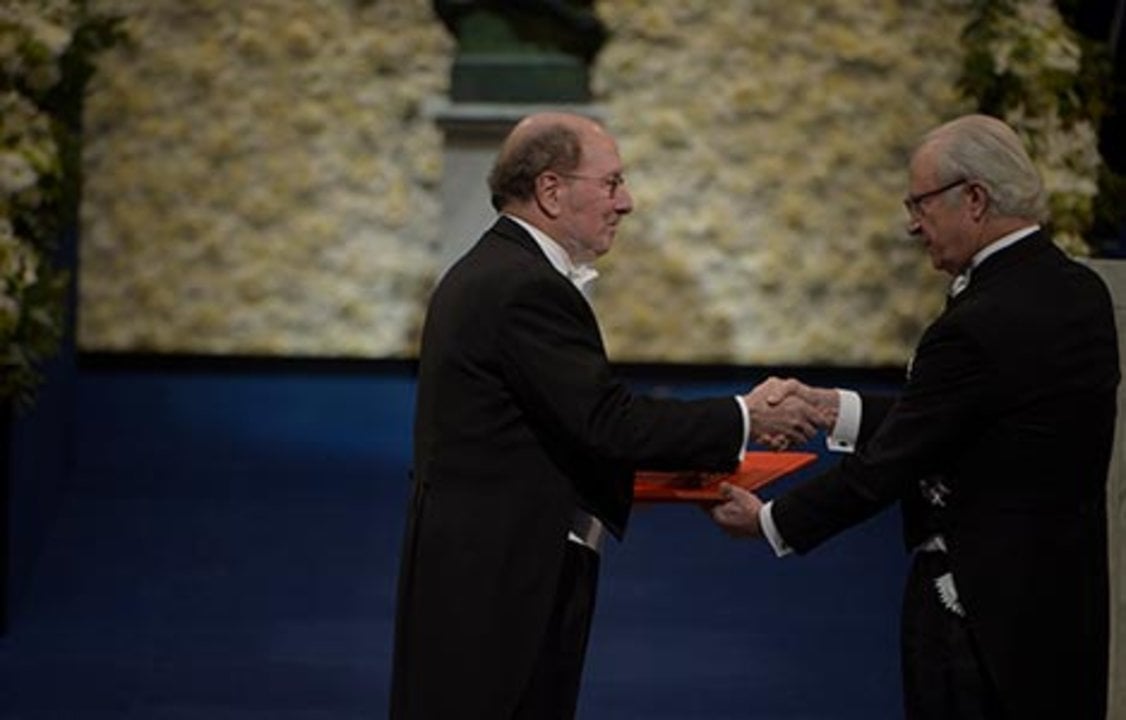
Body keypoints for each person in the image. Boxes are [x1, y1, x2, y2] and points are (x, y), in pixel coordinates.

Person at [390, 111, 823, 719]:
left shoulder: (496, 270)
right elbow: (608, 423)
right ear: (551, 190)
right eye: (612, 182)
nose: (628, 202)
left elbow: (563, 430)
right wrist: (746, 417)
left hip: (486, 568)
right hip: (500, 581)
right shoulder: (523, 286)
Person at [710, 114, 1120, 719]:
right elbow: (964, 415)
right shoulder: (1078, 292)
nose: (911, 224)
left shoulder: (979, 321)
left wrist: (772, 521)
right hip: (1060, 617)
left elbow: (895, 462)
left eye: (920, 203)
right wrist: (829, 408)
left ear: (974, 198)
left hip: (976, 618)